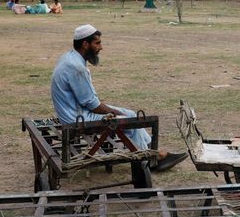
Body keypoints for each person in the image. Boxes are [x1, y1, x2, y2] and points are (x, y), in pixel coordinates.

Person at [51, 25, 188, 171]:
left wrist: (114, 111)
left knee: (130, 115)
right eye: (97, 43)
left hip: (77, 112)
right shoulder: (76, 67)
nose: (101, 47)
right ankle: (148, 160)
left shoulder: (69, 58)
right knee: (128, 119)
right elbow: (92, 104)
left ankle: (154, 152)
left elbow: (88, 100)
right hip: (76, 119)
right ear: (85, 44)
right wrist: (115, 113)